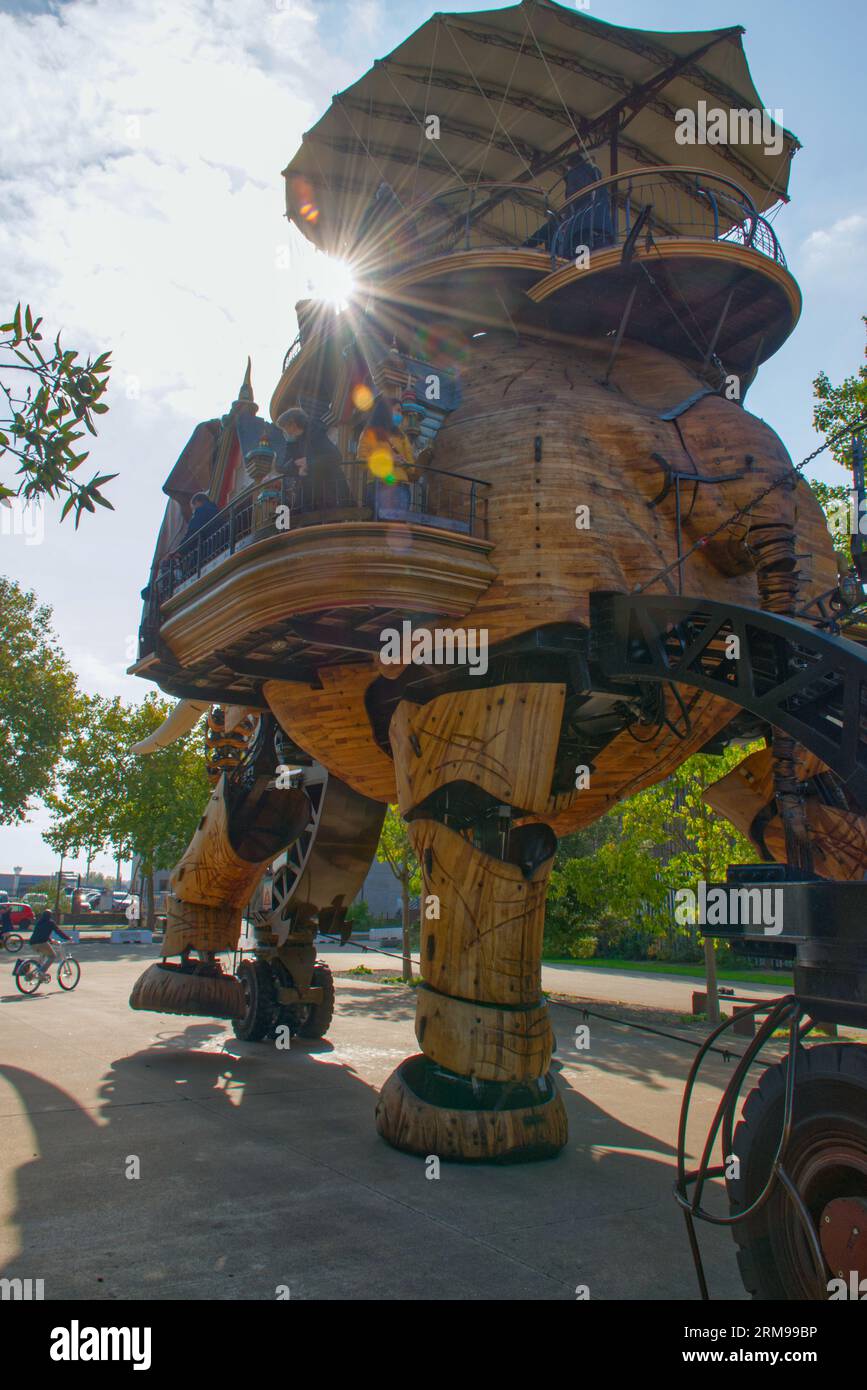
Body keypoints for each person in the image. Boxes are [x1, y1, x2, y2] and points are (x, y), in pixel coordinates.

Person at [276, 407, 348, 510]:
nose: (285, 432)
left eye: (285, 427)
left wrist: (308, 463)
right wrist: (290, 446)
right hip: (310, 494)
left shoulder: (315, 433)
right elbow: (287, 466)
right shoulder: (296, 442)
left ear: (293, 424)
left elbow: (335, 457)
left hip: (328, 492)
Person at [357, 394, 418, 516]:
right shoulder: (369, 434)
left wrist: (405, 464)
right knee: (379, 528)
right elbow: (361, 461)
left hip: (401, 487)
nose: (400, 415)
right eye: (398, 411)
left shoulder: (401, 436)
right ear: (386, 411)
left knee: (397, 528)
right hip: (378, 486)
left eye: (401, 412)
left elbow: (412, 468)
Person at [28, 909, 71, 977]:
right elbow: (58, 931)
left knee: (44, 954)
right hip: (41, 943)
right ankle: (42, 972)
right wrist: (68, 938)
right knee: (52, 956)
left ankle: (34, 972)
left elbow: (40, 933)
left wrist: (51, 940)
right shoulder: (50, 923)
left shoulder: (39, 922)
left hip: (32, 943)